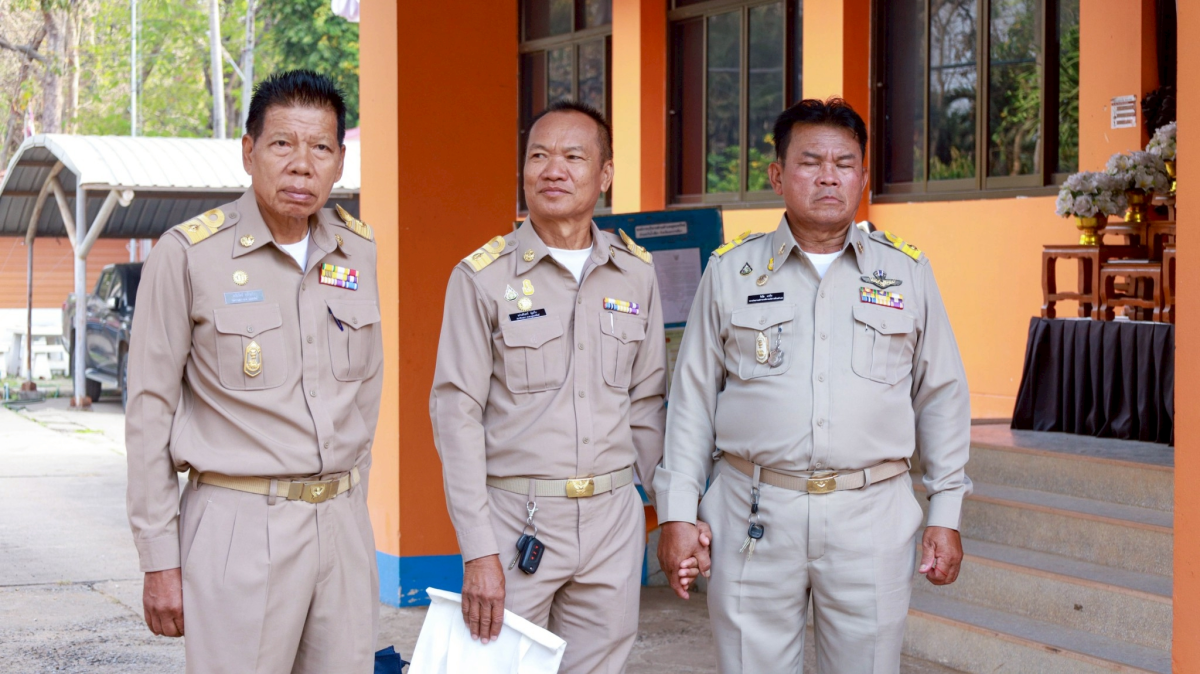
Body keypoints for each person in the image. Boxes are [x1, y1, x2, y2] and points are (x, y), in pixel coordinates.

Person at [654, 97, 971, 673]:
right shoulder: (731, 272)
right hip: (752, 512)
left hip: (871, 515)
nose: (829, 176)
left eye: (844, 163)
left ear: (863, 178)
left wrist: (945, 513)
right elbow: (691, 402)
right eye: (810, 162)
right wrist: (676, 513)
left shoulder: (907, 272)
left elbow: (941, 397)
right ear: (777, 176)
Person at [126, 70, 384, 673]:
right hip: (238, 523)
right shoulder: (189, 254)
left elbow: (365, 395)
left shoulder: (357, 250)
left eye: (320, 148)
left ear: (339, 162)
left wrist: (351, 504)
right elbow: (148, 413)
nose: (302, 166)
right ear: (249, 152)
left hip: (342, 524)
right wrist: (159, 557)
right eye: (282, 144)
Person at [429, 99, 667, 673]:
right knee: (494, 666)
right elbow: (456, 416)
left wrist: (667, 510)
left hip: (612, 520)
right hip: (518, 522)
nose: (552, 170)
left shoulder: (635, 272)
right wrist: (478, 549)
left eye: (573, 157)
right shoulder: (482, 278)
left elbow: (647, 403)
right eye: (538, 156)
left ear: (604, 175)